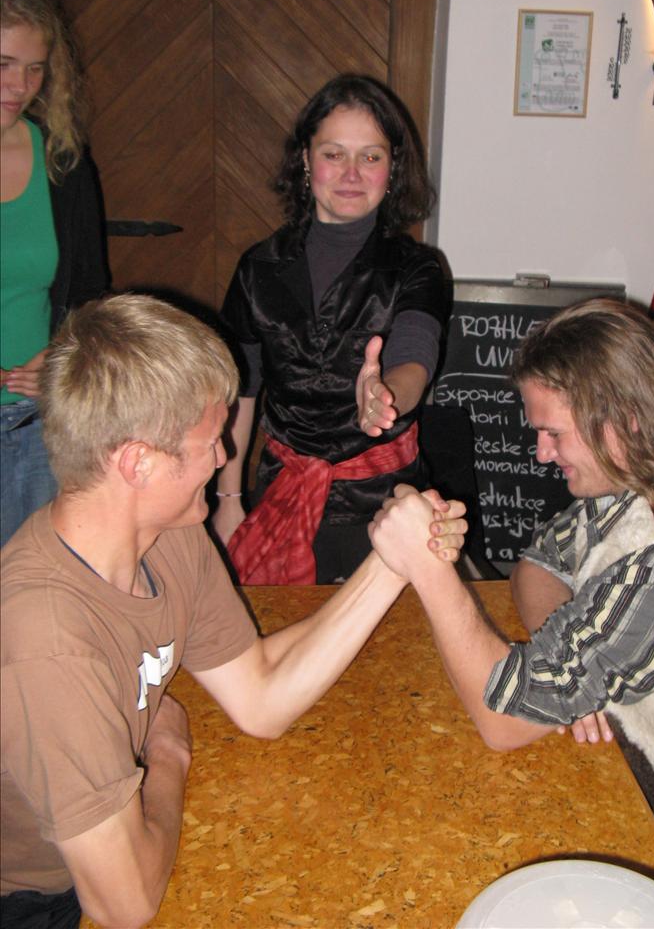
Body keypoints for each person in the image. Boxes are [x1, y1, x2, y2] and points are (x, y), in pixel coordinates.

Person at [0, 293, 467, 929]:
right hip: (35, 897)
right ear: (137, 462)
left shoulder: (167, 533)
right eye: (208, 441)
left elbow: (259, 696)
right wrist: (168, 754)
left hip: (109, 856)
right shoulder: (47, 639)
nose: (224, 457)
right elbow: (124, 905)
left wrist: (393, 563)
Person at [370, 298, 654, 929]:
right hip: (627, 792)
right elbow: (537, 566)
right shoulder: (650, 478)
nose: (540, 454)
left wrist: (429, 566)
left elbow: (504, 720)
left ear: (624, 421)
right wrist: (574, 662)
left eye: (554, 433)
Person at [213, 73, 448, 585]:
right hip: (280, 494)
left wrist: (385, 395)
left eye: (371, 156)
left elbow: (415, 355)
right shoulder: (258, 267)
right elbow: (241, 390)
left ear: (393, 167)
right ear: (305, 159)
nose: (351, 173)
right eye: (334, 154)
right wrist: (228, 499)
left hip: (387, 505)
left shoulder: (417, 268)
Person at [0, 0, 109, 548]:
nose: (19, 87)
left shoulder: (61, 161)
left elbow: (90, 292)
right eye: (3, 64)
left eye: (34, 69)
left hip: (35, 425)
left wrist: (62, 352)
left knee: (33, 587)